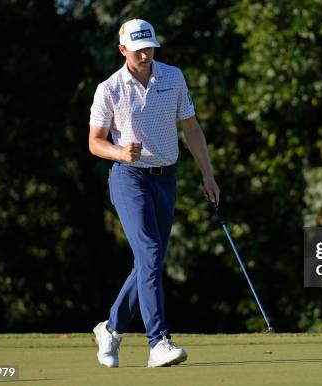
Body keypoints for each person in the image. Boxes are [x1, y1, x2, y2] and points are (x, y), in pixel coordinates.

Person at [88, 18, 220, 368]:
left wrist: (207, 174)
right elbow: (95, 142)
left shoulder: (173, 77)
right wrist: (120, 152)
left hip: (166, 179)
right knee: (149, 252)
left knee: (151, 260)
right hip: (128, 178)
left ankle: (111, 329)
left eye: (149, 48)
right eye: (138, 50)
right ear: (123, 50)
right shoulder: (109, 89)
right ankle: (158, 341)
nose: (146, 55)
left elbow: (191, 128)